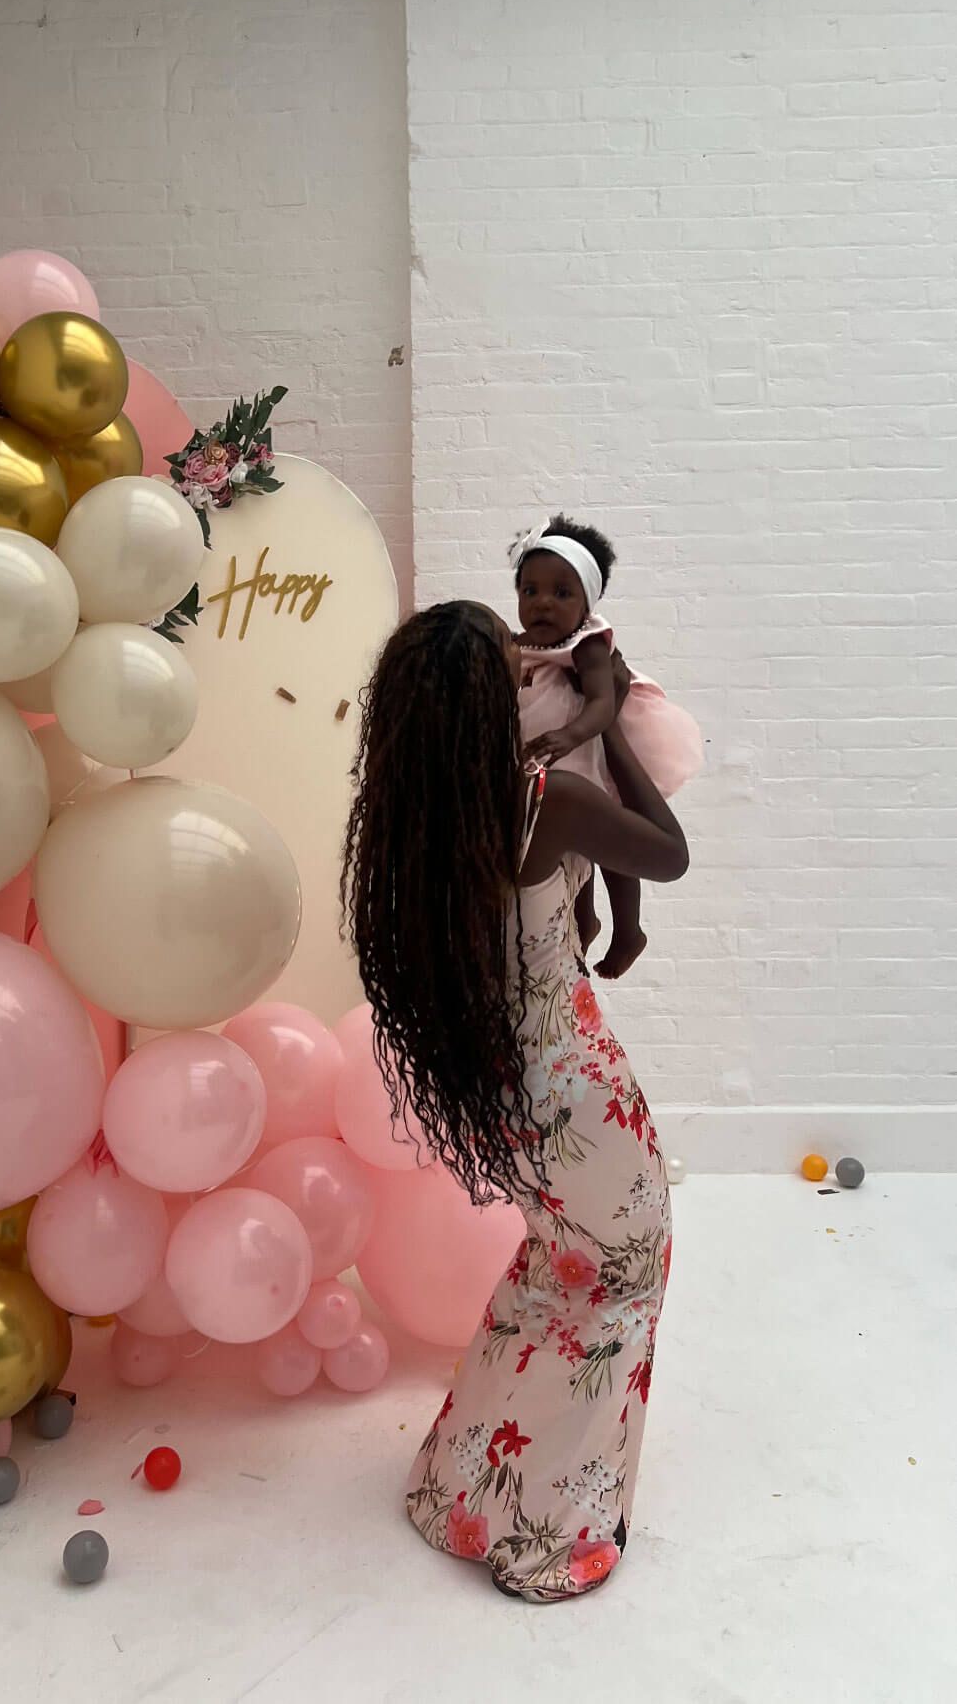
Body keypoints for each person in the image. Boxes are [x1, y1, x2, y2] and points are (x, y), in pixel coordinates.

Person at [342, 601, 688, 1601]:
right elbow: (666, 853)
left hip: (501, 1082)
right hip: (572, 1083)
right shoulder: (543, 801)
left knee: (554, 1269)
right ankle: (549, 1535)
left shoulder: (415, 817)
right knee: (622, 1279)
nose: (528, 668)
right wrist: (605, 716)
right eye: (511, 664)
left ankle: (461, 1489)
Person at [514, 514, 702, 976]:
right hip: (557, 768)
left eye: (561, 593)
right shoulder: (517, 648)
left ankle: (629, 929)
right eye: (530, 591)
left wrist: (570, 735)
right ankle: (585, 917)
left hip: (587, 751)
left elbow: (602, 704)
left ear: (586, 604)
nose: (543, 603)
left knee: (611, 848)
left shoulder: (588, 644)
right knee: (572, 851)